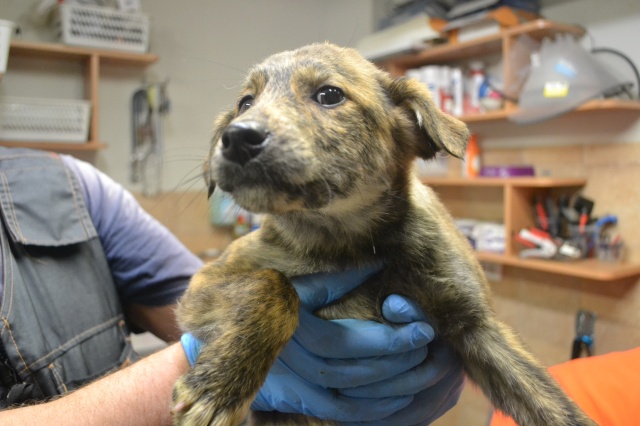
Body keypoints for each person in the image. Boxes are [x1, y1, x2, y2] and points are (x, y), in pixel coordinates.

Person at [0, 147, 463, 425]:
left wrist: (405, 365)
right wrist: (209, 366)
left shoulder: (69, 188)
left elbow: (203, 302)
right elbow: (218, 338)